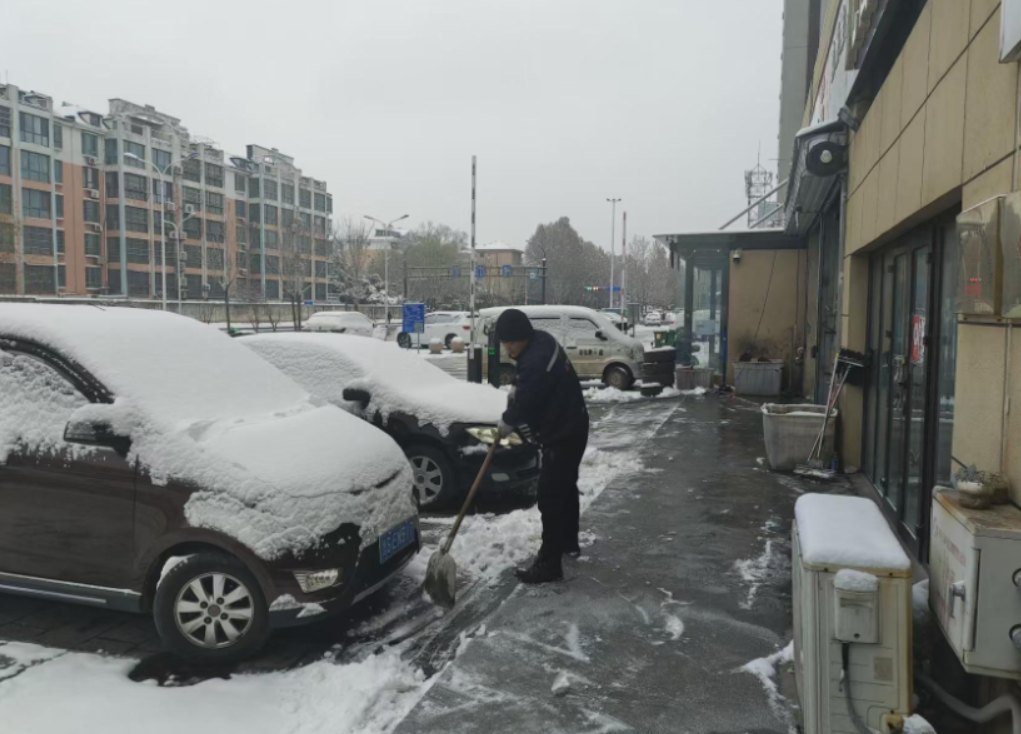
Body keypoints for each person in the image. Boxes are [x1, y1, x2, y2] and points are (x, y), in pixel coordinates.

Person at [495, 308, 589, 584]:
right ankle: (568, 542)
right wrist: (516, 386)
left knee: (549, 497)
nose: (507, 347)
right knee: (566, 487)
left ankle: (549, 565)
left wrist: (507, 421)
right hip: (573, 425)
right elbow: (526, 382)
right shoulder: (542, 340)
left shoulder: (535, 360)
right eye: (504, 342)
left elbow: (527, 398)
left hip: (563, 434)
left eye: (510, 342)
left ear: (522, 337)